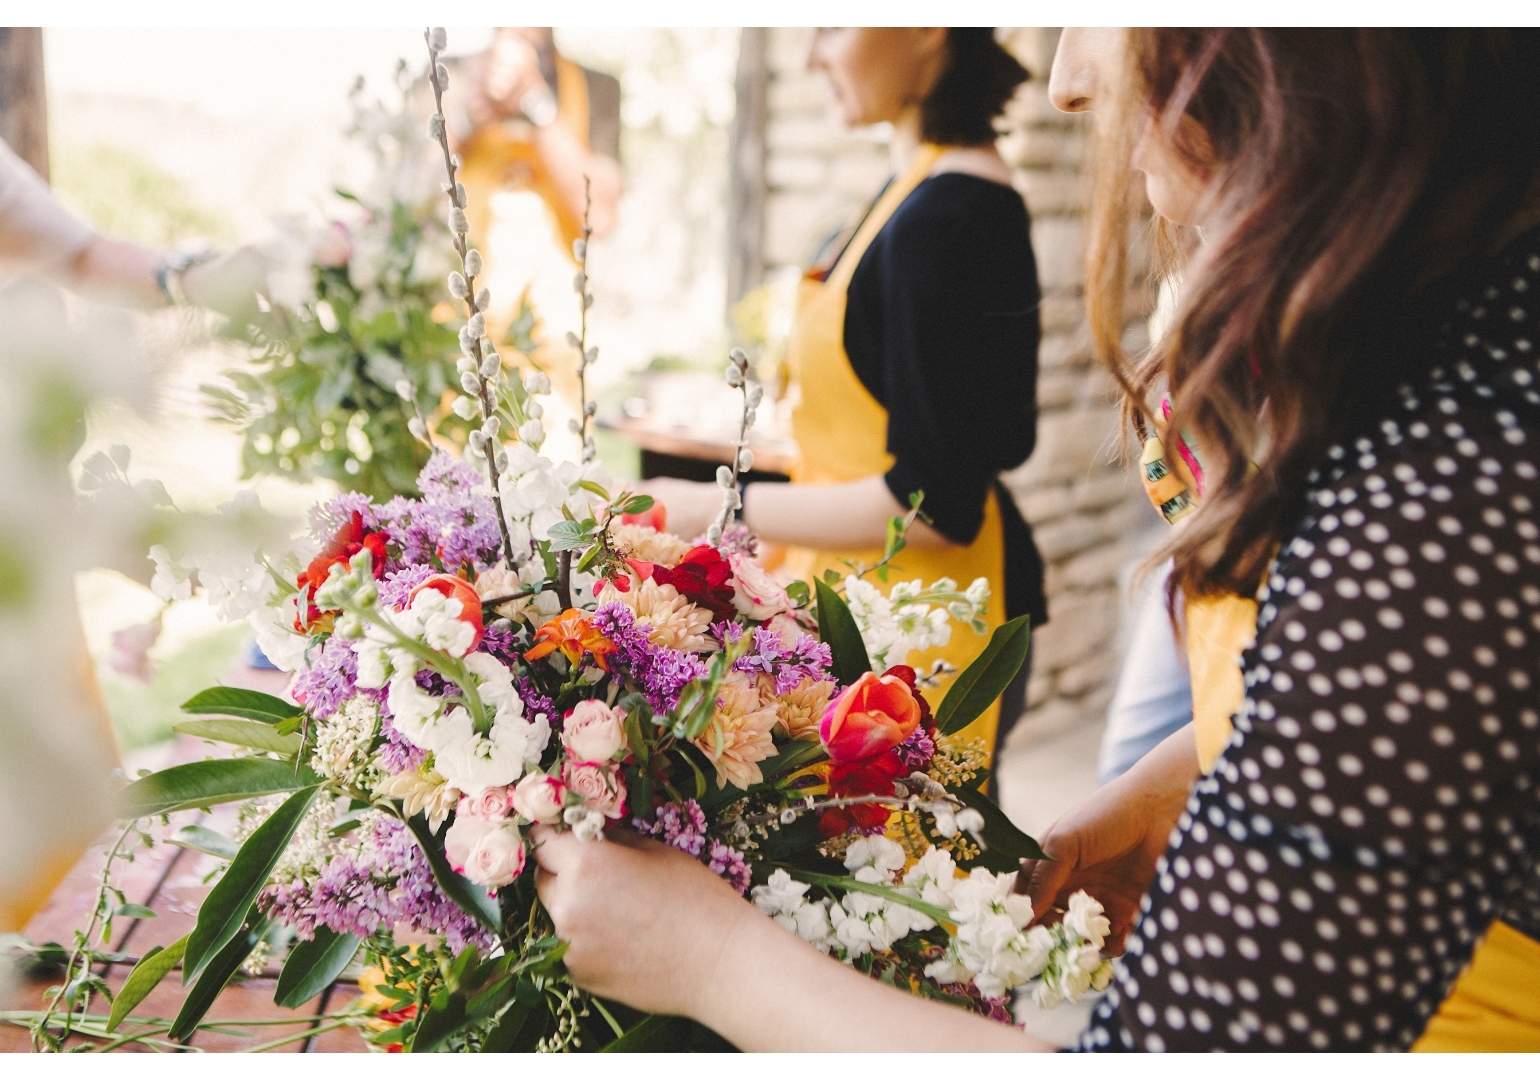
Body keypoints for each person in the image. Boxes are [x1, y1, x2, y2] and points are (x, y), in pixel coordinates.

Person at [528, 28, 1540, 1050]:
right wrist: (1199, 776)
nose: (1066, 81)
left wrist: (711, 960)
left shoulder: (1447, 488)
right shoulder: (1436, 381)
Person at [645, 28, 1048, 759]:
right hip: (867, 595)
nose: (811, 55)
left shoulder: (955, 218)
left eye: (831, 23)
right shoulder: (910, 195)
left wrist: (719, 503)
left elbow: (934, 504)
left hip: (929, 618)